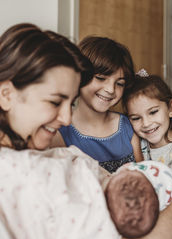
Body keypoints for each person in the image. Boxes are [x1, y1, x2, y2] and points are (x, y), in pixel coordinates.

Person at [0, 23, 172, 239]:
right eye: (55, 102)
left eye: (70, 102)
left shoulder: (40, 157)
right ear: (6, 94)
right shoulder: (23, 176)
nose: (66, 118)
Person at [51, 36, 143, 173]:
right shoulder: (60, 132)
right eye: (100, 78)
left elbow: (146, 175)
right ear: (80, 75)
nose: (110, 89)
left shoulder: (128, 126)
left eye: (120, 83)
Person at [122, 69, 172, 174]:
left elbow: (171, 183)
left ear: (171, 108)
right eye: (136, 118)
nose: (146, 123)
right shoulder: (137, 144)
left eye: (153, 112)